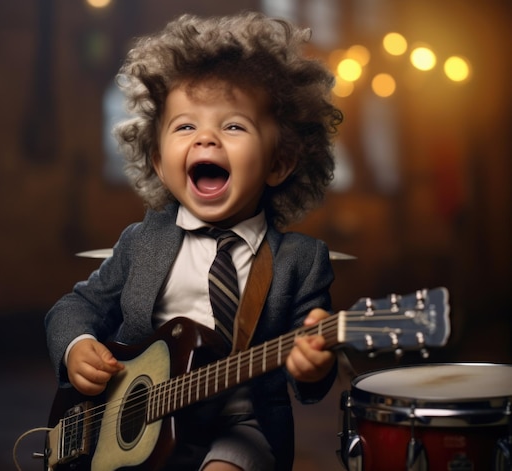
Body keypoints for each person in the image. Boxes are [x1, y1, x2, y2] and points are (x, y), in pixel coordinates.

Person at [45, 11, 343, 471]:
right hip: (137, 430)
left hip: (241, 424)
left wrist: (314, 364)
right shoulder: (142, 242)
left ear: (279, 163)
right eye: (185, 127)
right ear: (161, 163)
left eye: (234, 126)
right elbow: (72, 307)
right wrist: (76, 346)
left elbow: (310, 376)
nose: (206, 137)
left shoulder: (301, 260)